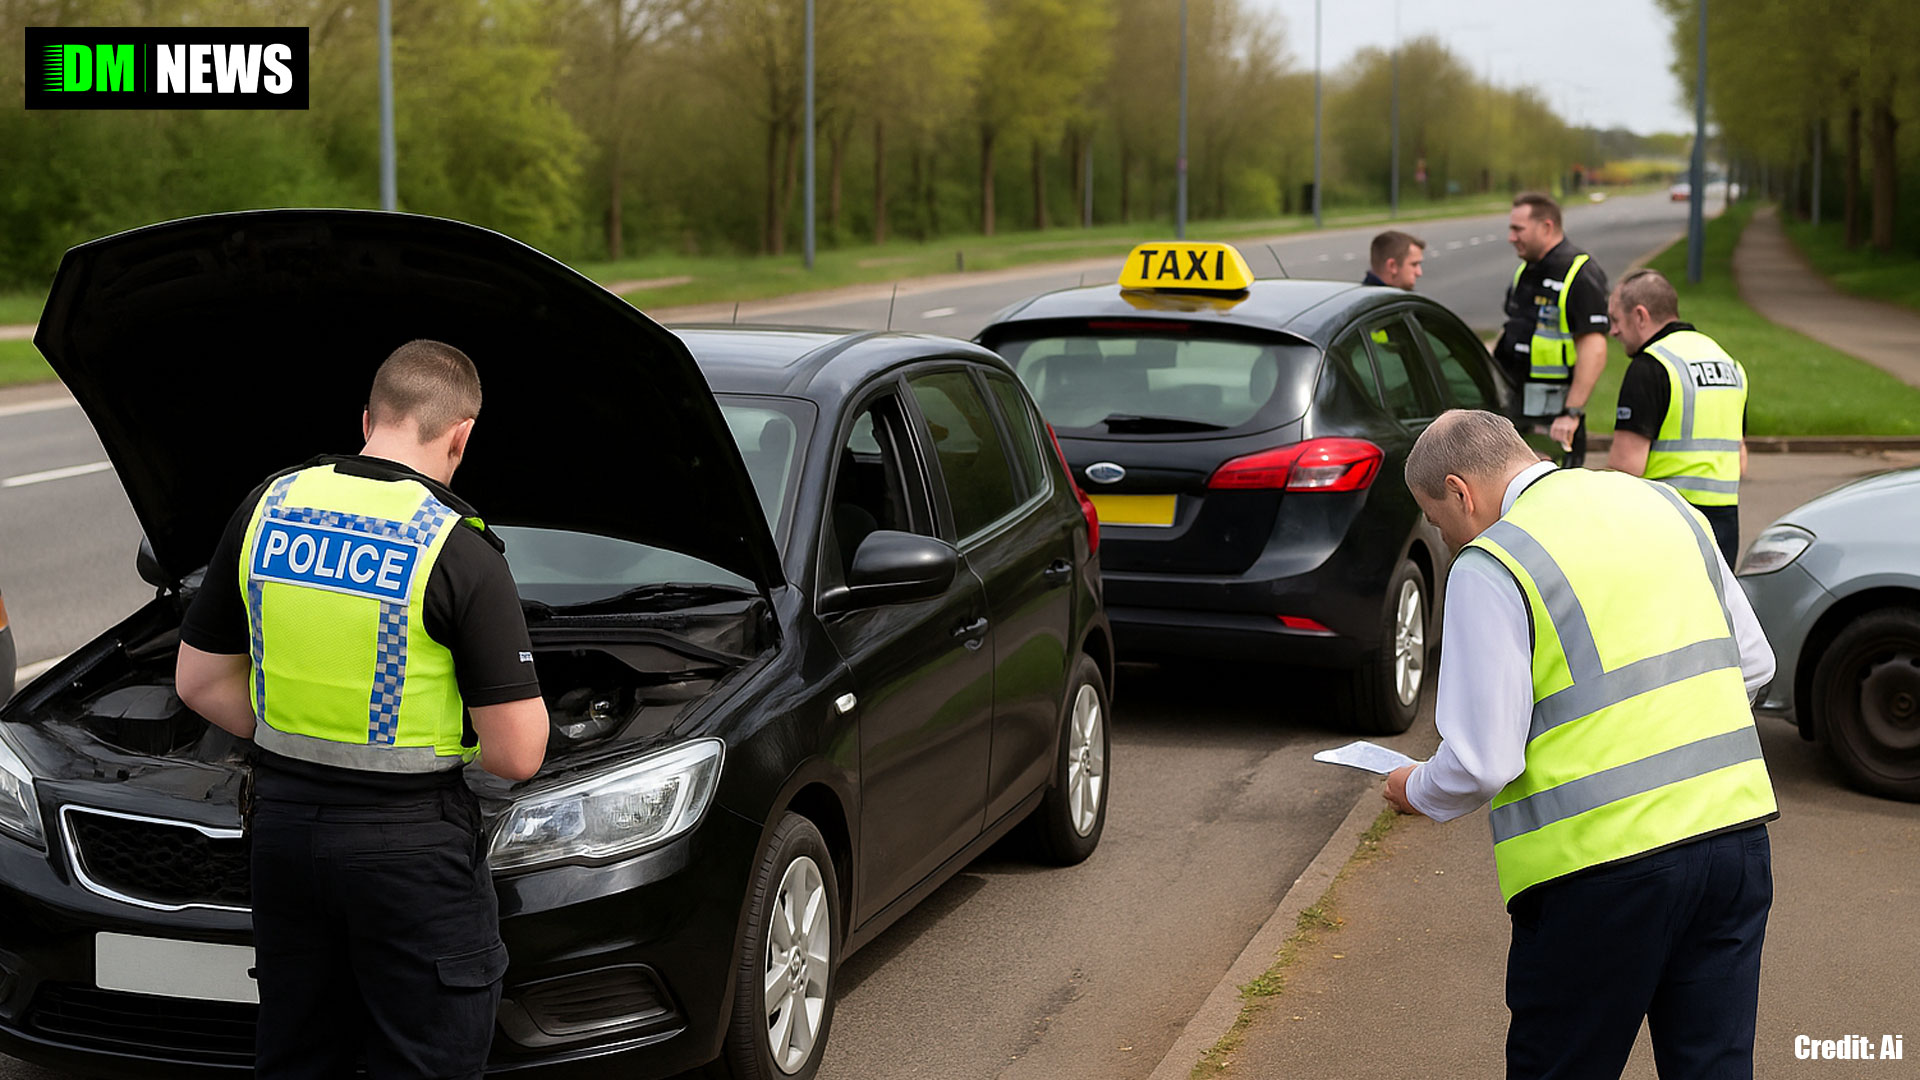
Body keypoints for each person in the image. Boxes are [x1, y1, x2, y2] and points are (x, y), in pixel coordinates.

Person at [175, 340, 551, 1080]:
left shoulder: (269, 506)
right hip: (409, 852)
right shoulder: (455, 547)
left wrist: (300, 733)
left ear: (368, 418)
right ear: (460, 435)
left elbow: (197, 681)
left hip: (283, 836)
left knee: (300, 1056)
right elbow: (517, 753)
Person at [1383, 409, 1779, 1080]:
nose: (1444, 537)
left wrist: (1413, 788)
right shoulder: (1664, 504)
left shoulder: (1494, 560)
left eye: (1437, 519)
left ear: (1459, 491)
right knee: (1713, 1066)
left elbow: (1483, 760)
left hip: (1599, 871)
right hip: (1732, 840)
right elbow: (1754, 665)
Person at [1606, 268, 1749, 566]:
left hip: (1665, 525)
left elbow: (1625, 468)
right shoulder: (1728, 363)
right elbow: (1741, 461)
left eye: (1616, 320)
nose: (1613, 331)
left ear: (1641, 316)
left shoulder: (1651, 366)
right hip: (1724, 528)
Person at [1495, 193, 1610, 466]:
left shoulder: (1579, 273)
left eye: (1517, 229)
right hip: (1517, 410)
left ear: (1546, 227)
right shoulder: (1525, 271)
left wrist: (1571, 412)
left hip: (1555, 418)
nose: (1511, 237)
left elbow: (1593, 348)